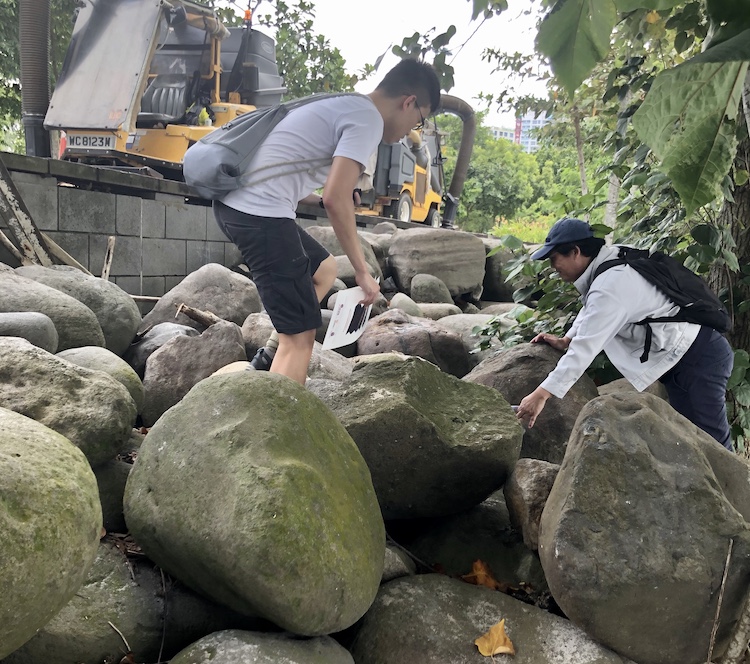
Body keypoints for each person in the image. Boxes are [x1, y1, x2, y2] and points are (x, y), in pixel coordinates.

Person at [213, 59, 441, 384]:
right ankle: (274, 425)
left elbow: (311, 186)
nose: (410, 132)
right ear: (408, 102)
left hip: (240, 204)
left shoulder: (345, 105)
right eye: (417, 121)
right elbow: (337, 199)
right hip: (257, 213)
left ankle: (267, 359)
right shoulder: (368, 120)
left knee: (324, 270)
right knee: (302, 336)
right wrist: (363, 272)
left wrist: (321, 199)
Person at [514, 217, 734, 450]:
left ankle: (737, 487)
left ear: (575, 252)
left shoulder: (612, 284)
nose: (552, 266)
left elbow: (585, 348)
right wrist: (567, 338)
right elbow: (593, 308)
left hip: (698, 360)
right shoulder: (611, 261)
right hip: (686, 359)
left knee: (714, 449)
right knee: (695, 446)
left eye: (554, 258)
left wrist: (541, 394)